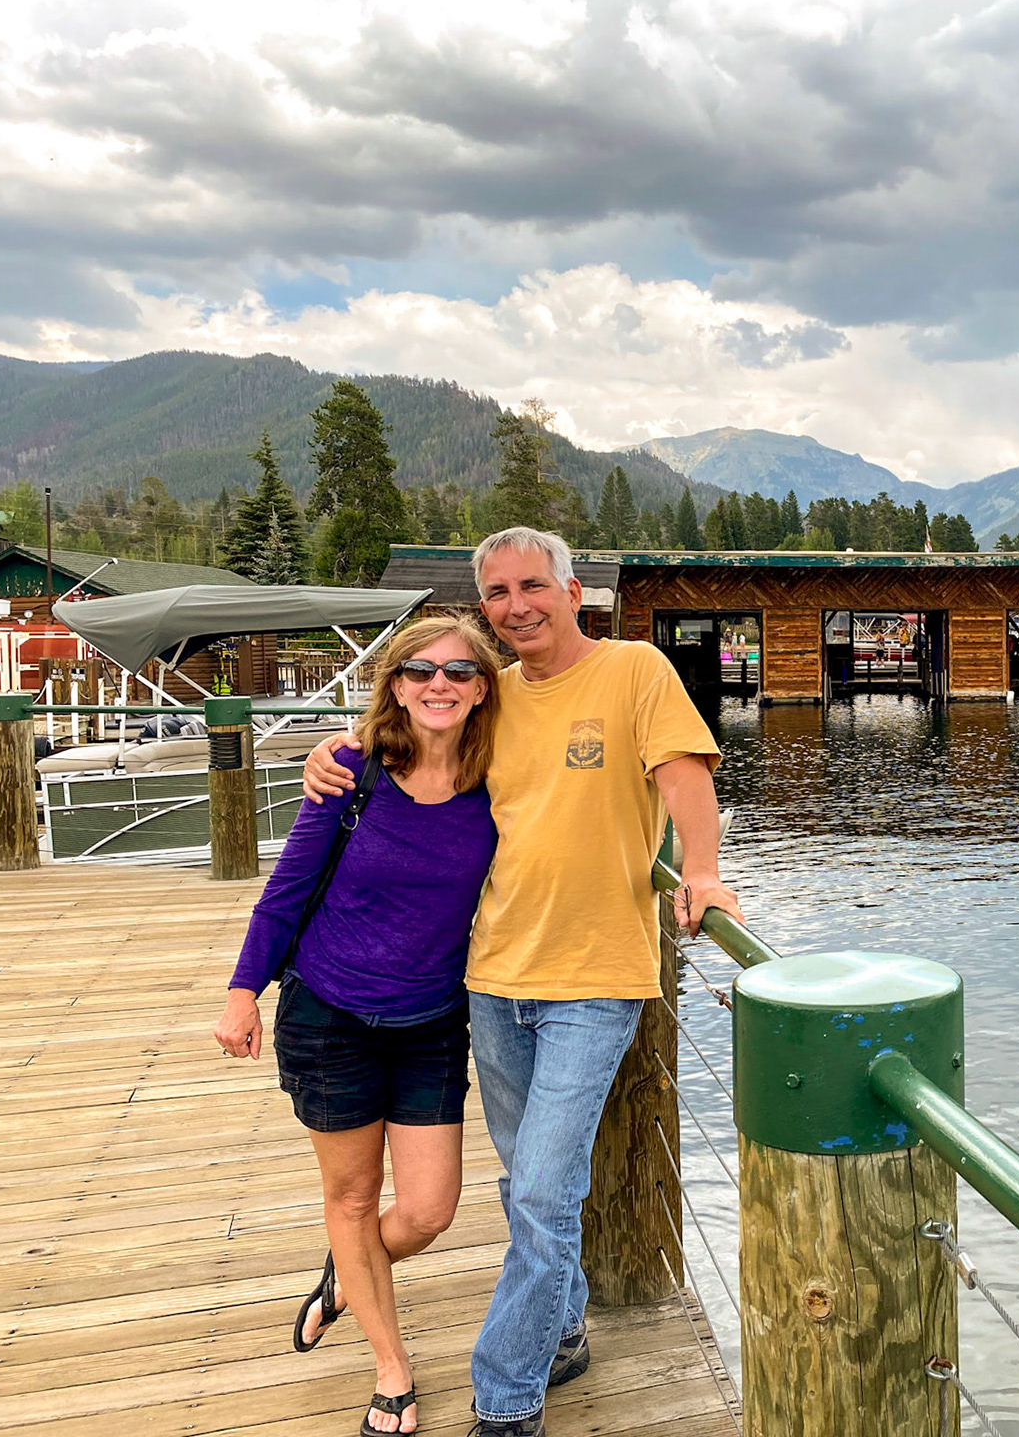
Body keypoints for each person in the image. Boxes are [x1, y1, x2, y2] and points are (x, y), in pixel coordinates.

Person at [302, 527, 743, 1437]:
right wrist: (330, 749)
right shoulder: (490, 694)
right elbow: (410, 738)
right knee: (528, 1181)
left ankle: (507, 1398)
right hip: (494, 978)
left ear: (572, 591)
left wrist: (701, 871)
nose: (517, 606)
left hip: (598, 978)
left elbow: (683, 775)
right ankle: (564, 1323)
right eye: (498, 593)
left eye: (534, 585)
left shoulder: (634, 670)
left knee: (544, 1190)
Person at [215, 614, 503, 1435]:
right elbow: (287, 889)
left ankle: (347, 1273)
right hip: (329, 1013)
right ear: (396, 686)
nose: (439, 684)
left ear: (484, 688)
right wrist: (243, 992)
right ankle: (391, 1370)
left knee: (429, 1210)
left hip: (432, 1020)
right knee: (351, 1197)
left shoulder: (501, 778)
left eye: (459, 671)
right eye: (420, 671)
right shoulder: (352, 768)